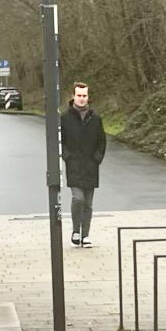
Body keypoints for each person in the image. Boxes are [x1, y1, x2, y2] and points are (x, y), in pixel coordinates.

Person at [60, 81, 106, 247]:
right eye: (79, 95)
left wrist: (97, 158)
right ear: (73, 96)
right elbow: (61, 141)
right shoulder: (65, 118)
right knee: (77, 198)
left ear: (88, 97)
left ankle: (85, 235)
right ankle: (76, 230)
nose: (81, 98)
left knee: (88, 203)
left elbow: (102, 140)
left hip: (91, 165)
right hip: (74, 165)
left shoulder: (95, 118)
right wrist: (67, 156)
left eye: (84, 95)